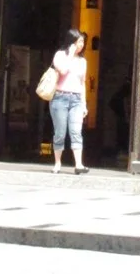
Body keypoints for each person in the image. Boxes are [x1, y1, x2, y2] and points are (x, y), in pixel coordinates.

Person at [50, 28, 89, 175]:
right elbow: (63, 71)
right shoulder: (60, 55)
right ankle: (57, 163)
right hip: (60, 97)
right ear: (71, 42)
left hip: (76, 99)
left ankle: (79, 164)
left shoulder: (83, 61)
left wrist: (84, 104)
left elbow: (82, 83)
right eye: (79, 42)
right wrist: (71, 55)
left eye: (82, 42)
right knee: (60, 132)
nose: (81, 45)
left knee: (76, 131)